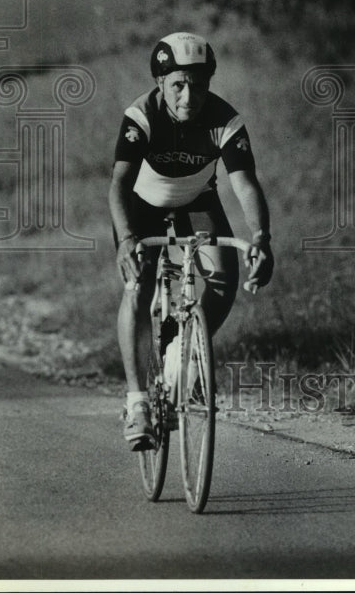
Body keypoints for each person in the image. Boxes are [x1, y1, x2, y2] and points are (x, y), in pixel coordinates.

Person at [109, 31, 273, 450]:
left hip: (197, 202)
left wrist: (260, 237)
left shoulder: (225, 120)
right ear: (160, 84)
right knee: (138, 287)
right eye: (178, 85)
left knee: (223, 277)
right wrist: (127, 238)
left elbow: (246, 185)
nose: (189, 97)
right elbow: (119, 185)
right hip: (141, 207)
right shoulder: (141, 116)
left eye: (198, 85)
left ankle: (183, 351)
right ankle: (137, 402)